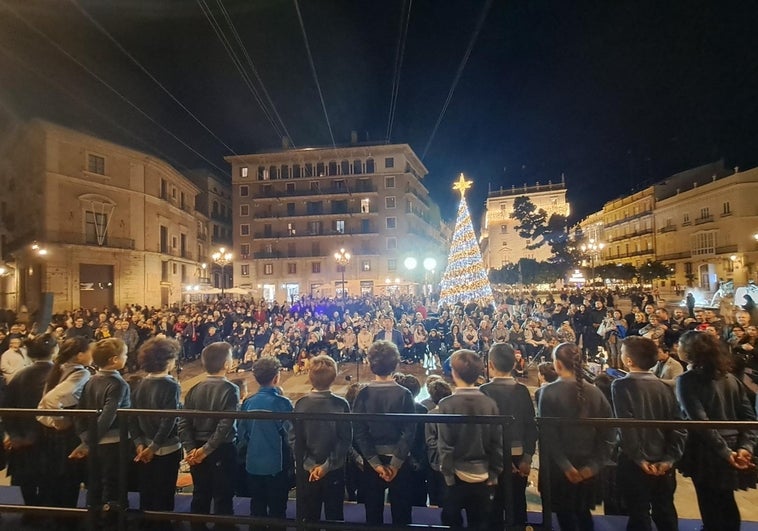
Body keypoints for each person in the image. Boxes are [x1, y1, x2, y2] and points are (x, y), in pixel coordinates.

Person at [675, 330, 757, 531]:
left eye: (679, 344)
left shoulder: (687, 380)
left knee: (710, 503)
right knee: (726, 501)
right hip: (734, 447)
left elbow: (700, 422)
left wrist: (726, 453)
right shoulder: (729, 377)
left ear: (689, 351)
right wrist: (745, 447)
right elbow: (749, 418)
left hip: (708, 451)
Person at [611, 336, 686, 531]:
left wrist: (639, 458)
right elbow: (678, 426)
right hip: (663, 462)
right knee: (665, 511)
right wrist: (669, 459)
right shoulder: (666, 386)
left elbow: (626, 427)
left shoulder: (621, 385)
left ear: (629, 360)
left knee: (638, 512)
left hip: (635, 462)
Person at [538, 342, 614, 531]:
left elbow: (548, 435)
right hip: (588, 465)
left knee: (566, 516)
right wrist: (594, 466)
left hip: (559, 468)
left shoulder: (548, 392)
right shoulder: (596, 392)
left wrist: (566, 466)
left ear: (558, 364)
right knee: (582, 514)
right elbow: (609, 433)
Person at [436, 349, 503, 530]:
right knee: (480, 522)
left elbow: (445, 445)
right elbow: (497, 442)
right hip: (484, 475)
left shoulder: (446, 404)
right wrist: (495, 472)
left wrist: (448, 476)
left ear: (453, 372)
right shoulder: (490, 403)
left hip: (456, 477)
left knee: (451, 521)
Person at [352, 340, 416, 526]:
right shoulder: (404, 394)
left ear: (371, 364)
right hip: (401, 461)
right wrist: (395, 464)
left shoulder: (362, 394)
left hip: (373, 462)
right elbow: (409, 431)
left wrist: (374, 462)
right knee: (402, 513)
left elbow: (359, 431)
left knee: (373, 513)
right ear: (396, 364)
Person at [178, 342, 239, 531]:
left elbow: (184, 421)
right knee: (223, 492)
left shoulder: (194, 388)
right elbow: (225, 425)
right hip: (220, 448)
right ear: (227, 364)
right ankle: (223, 527)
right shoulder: (230, 389)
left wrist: (190, 448)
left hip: (196, 448)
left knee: (200, 490)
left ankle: (197, 525)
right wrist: (206, 450)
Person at [71, 338, 131, 521]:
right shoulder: (118, 384)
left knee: (95, 483)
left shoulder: (91, 380)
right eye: (125, 355)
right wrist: (90, 440)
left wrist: (85, 437)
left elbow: (79, 412)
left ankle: (94, 520)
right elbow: (108, 415)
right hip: (113, 442)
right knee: (113, 485)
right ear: (114, 360)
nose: (126, 357)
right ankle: (111, 522)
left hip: (93, 440)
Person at [480, 342, 537, 529]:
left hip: (491, 459)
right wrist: (527, 458)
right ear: (514, 364)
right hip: (519, 458)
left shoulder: (484, 391)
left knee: (492, 507)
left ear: (490, 365)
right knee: (517, 504)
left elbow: (483, 431)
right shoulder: (522, 391)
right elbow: (531, 426)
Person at [2, 334, 59, 518]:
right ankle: (46, 511)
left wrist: (13, 434)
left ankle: (31, 511)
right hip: (50, 436)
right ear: (54, 351)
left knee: (26, 476)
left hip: (23, 435)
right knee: (49, 476)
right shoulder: (60, 374)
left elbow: (7, 407)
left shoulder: (20, 375)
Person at [36, 336, 92, 521]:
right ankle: (68, 520)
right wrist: (60, 421)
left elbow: (41, 407)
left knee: (56, 480)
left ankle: (57, 519)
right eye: (90, 350)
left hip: (52, 436)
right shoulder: (80, 373)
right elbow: (50, 400)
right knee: (69, 480)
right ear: (80, 355)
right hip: (67, 437)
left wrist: (51, 423)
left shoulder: (58, 369)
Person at [130, 337, 182, 531]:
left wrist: (139, 443)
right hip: (165, 448)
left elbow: (132, 416)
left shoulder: (139, 384)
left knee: (148, 490)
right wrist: (154, 447)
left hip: (143, 448)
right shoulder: (171, 386)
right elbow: (169, 420)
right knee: (165, 492)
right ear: (168, 361)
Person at [293, 355, 351, 522]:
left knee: (309, 517)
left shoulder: (301, 404)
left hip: (307, 470)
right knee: (334, 516)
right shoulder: (341, 405)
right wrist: (327, 465)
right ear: (334, 378)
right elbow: (345, 439)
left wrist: (309, 464)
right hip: (334, 470)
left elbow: (294, 438)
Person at [238, 357, 294, 530]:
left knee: (257, 508)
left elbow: (241, 434)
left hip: (253, 464)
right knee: (278, 511)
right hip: (276, 466)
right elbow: (290, 435)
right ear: (276, 378)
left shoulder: (248, 402)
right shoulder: (282, 403)